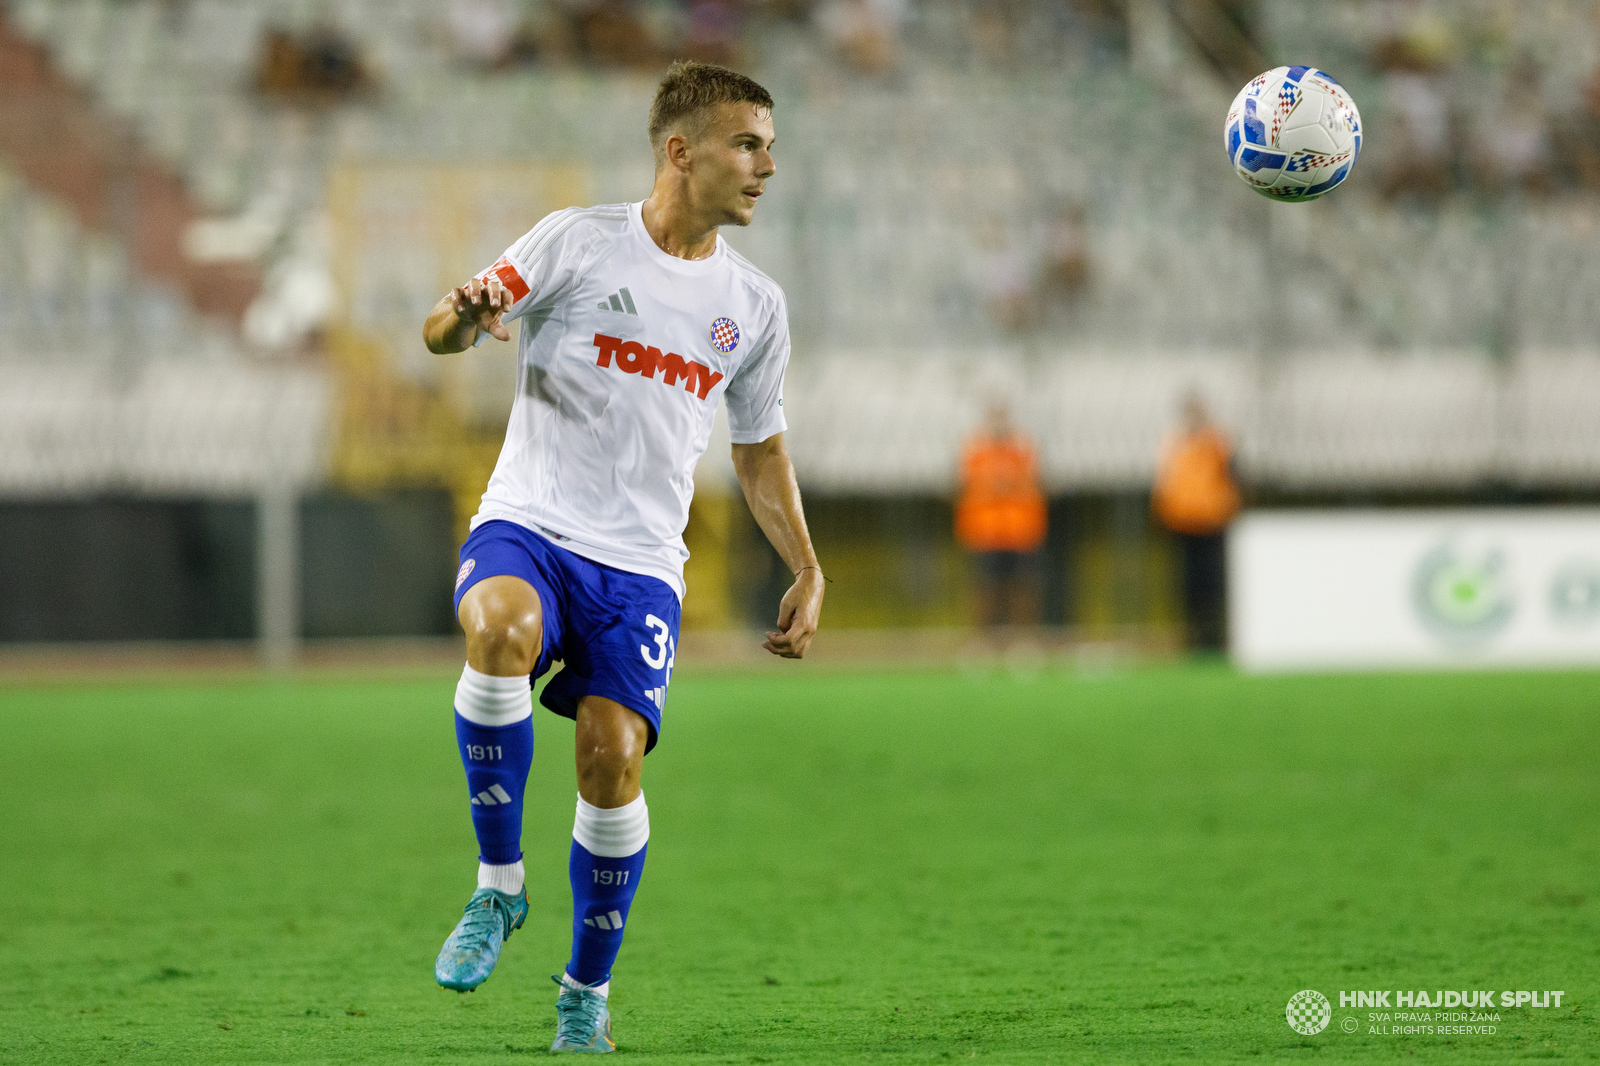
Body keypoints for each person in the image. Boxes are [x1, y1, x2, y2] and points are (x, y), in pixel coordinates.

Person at [420, 61, 824, 1053]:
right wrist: (465, 317)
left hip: (640, 566)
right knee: (499, 630)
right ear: (680, 151)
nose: (767, 165)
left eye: (769, 145)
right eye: (747, 144)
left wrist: (806, 565)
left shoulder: (753, 307)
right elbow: (442, 325)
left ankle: (584, 995)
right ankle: (498, 886)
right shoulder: (578, 240)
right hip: (531, 520)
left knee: (610, 763)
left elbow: (759, 447)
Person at [1152, 392, 1240, 652]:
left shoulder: (1216, 440)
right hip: (1183, 521)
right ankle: (1193, 636)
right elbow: (1166, 481)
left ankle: (1214, 636)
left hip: (1212, 520)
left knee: (1212, 581)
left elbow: (1232, 475)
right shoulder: (1175, 442)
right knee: (1188, 583)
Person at [955, 402, 1047, 642]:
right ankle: (983, 640)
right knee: (986, 586)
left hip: (1020, 529)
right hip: (985, 530)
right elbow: (969, 484)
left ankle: (1024, 640)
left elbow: (1033, 482)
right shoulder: (976, 450)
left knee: (1022, 586)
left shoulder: (1022, 448)